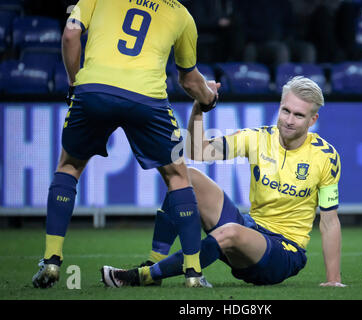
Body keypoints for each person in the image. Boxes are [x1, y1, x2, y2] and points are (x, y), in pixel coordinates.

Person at [32, 0, 219, 289]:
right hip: (147, 97)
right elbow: (190, 80)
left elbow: (70, 35)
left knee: (69, 165)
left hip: (93, 90)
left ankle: (52, 261)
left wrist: (73, 85)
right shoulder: (181, 14)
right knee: (178, 177)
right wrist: (209, 98)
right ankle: (193, 273)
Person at [101, 76, 346, 288]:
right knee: (187, 178)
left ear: (312, 120)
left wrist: (333, 278)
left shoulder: (326, 158)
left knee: (228, 232)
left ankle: (143, 276)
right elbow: (199, 151)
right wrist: (200, 106)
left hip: (284, 252)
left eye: (299, 115)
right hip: (250, 228)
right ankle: (154, 262)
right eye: (286, 111)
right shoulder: (258, 138)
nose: (289, 120)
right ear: (280, 107)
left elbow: (329, 221)